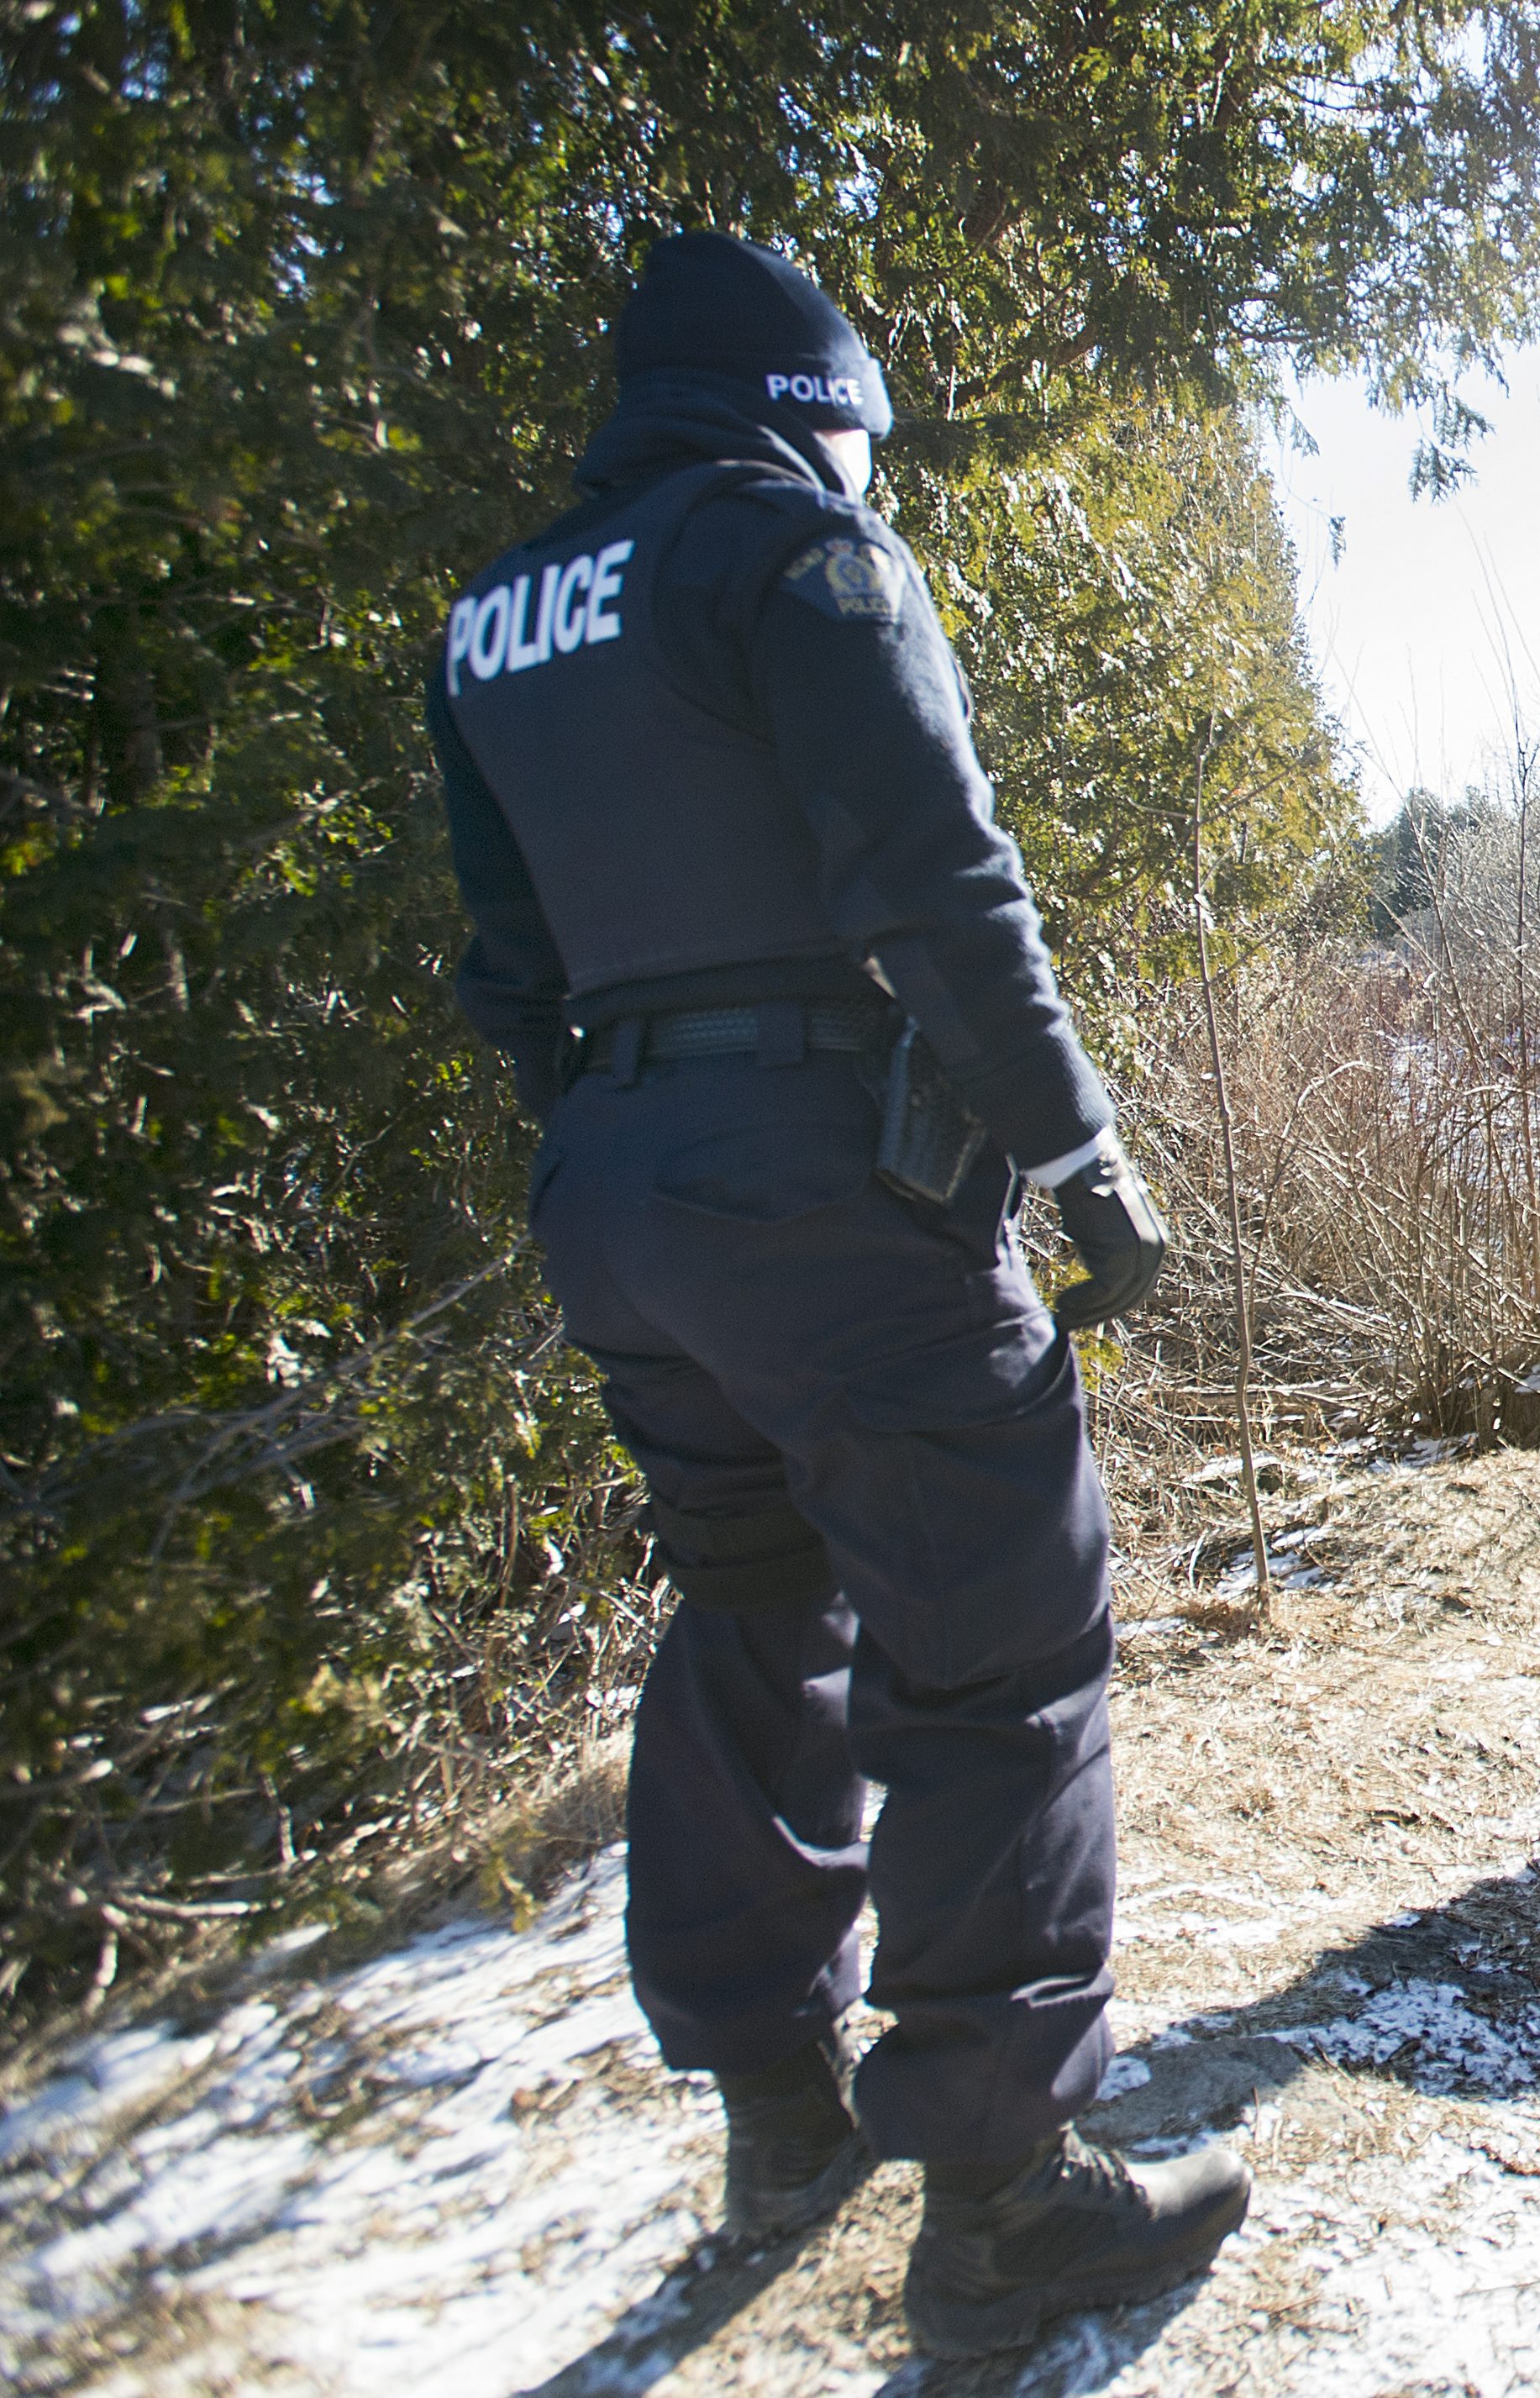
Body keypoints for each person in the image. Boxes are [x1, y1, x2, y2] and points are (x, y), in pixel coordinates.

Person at [428, 231, 1244, 2360]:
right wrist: (1084, 1159)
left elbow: (506, 963)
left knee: (751, 1595)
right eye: (862, 435)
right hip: (823, 1180)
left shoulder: (500, 617)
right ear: (809, 404)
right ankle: (1002, 2197)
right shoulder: (792, 560)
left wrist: (636, 1140)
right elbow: (941, 873)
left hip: (615, 1184)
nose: (874, 476)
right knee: (995, 1637)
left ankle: (775, 2102)